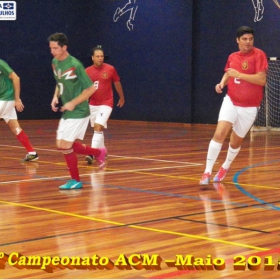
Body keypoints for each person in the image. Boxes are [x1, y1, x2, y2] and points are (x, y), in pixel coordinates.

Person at [199, 26, 268, 185]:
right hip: (231, 101)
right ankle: (207, 171)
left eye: (250, 39)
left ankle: (225, 166)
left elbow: (261, 80)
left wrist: (240, 75)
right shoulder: (232, 57)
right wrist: (222, 83)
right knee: (219, 133)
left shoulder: (259, 55)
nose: (248, 42)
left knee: (235, 142)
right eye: (244, 39)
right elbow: (228, 73)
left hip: (250, 107)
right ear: (237, 40)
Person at [48, 33, 107, 190]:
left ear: (64, 47)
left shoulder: (75, 65)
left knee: (66, 146)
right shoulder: (55, 62)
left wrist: (73, 103)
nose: (52, 51)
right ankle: (98, 152)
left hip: (79, 109)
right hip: (68, 110)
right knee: (61, 145)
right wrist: (55, 96)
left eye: (55, 48)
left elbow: (90, 89)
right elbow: (59, 83)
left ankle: (76, 180)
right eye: (51, 48)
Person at [84, 46, 125, 164]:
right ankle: (103, 151)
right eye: (97, 56)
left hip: (106, 103)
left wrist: (122, 97)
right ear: (92, 58)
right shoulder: (87, 71)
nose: (100, 58)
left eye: (101, 56)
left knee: (98, 126)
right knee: (98, 129)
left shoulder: (110, 69)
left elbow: (117, 83)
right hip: (93, 104)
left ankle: (92, 153)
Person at [0, 59, 38, 161]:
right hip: (3, 100)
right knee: (15, 128)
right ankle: (32, 153)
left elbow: (16, 78)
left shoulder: (1, 63)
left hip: (6, 99)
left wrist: (17, 99)